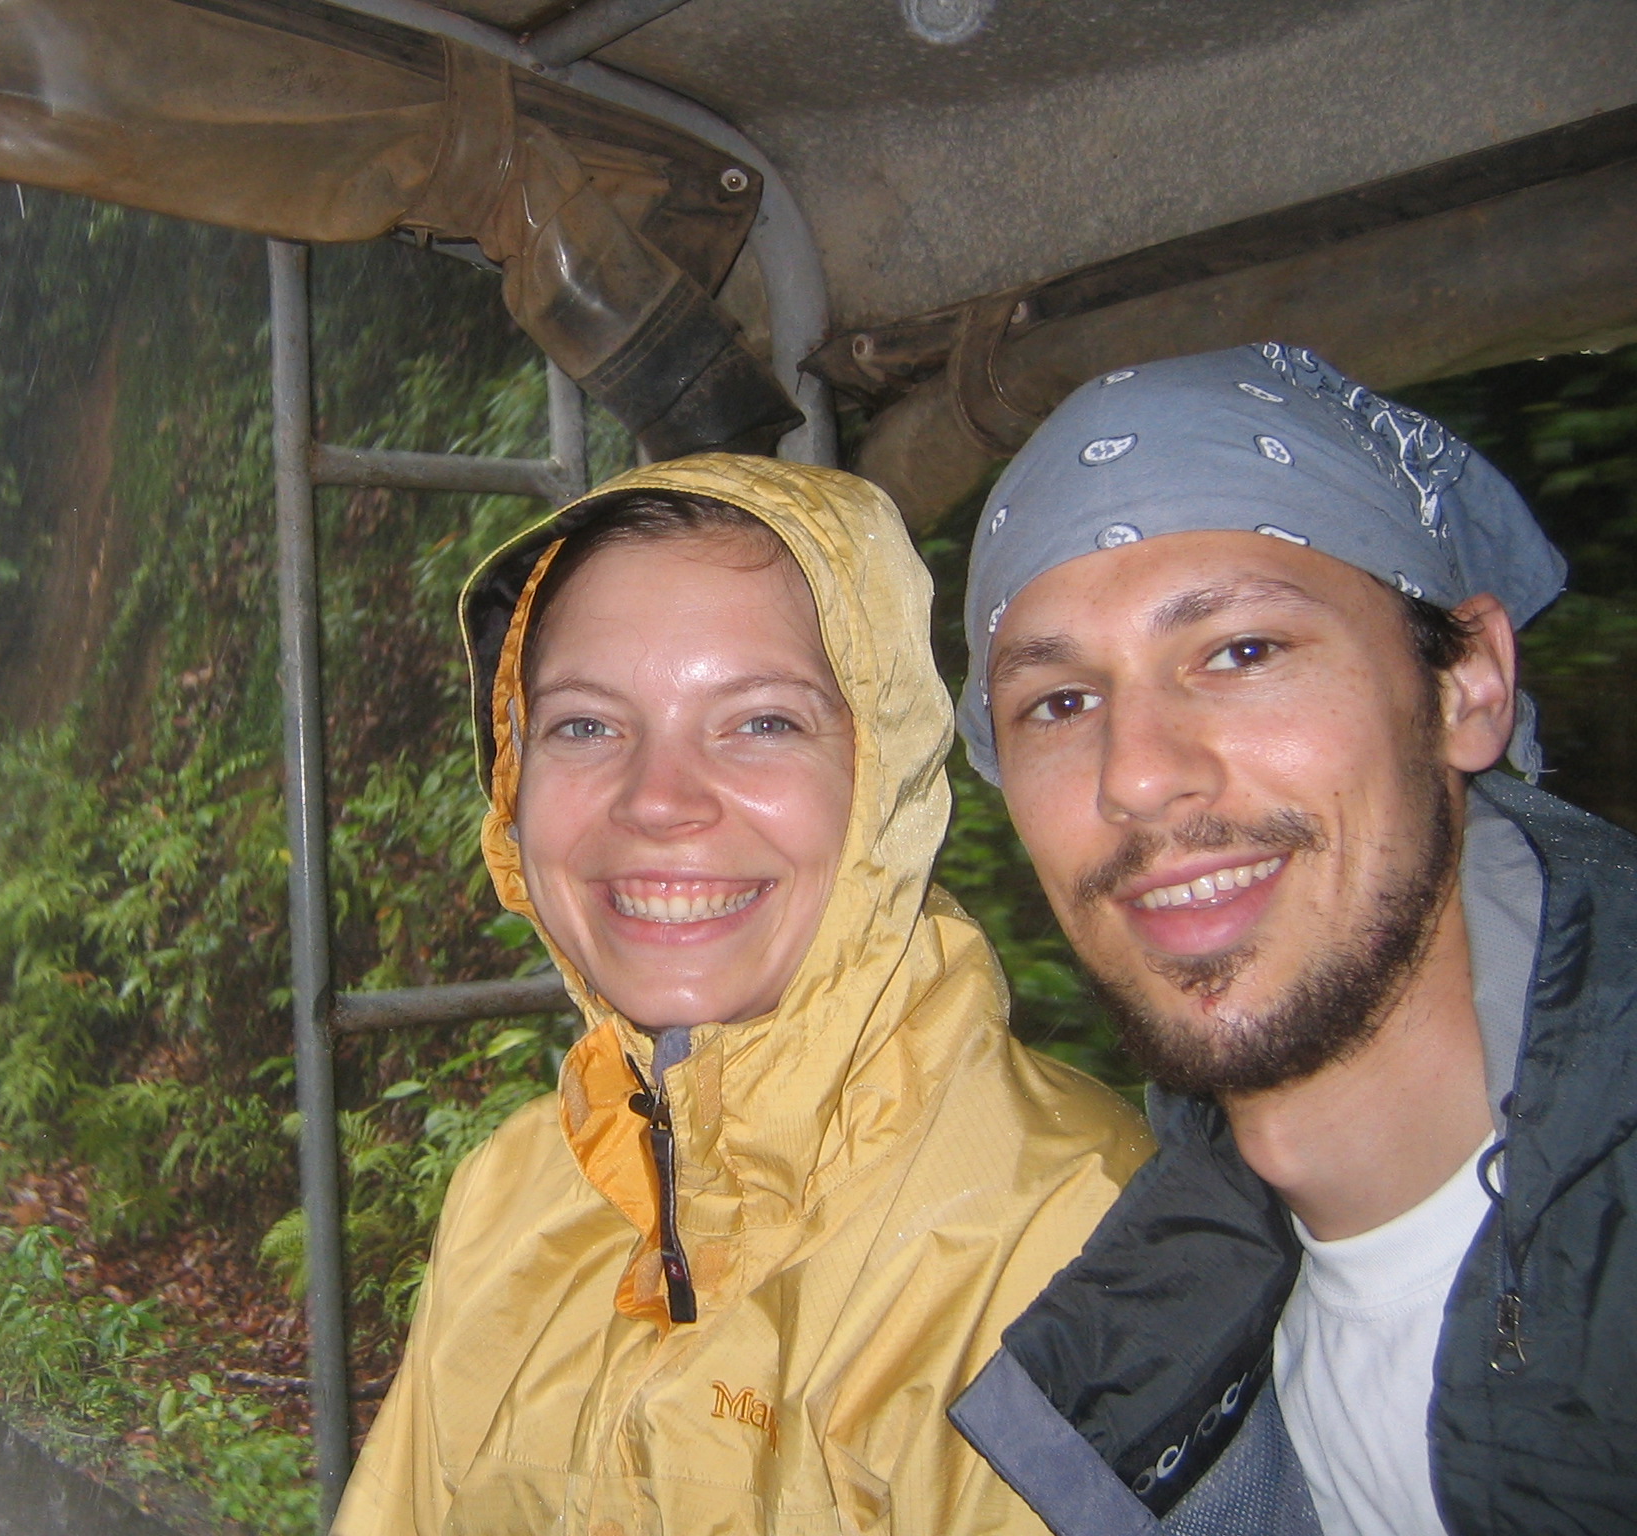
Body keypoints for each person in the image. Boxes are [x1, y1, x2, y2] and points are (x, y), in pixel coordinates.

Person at [335, 454, 1149, 1535]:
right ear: (511, 779)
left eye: (761, 721)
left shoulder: (1075, 1235)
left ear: (885, 770)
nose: (657, 800)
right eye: (583, 725)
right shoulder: (511, 1193)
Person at [944, 344, 1637, 1535]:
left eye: (1239, 652)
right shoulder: (1169, 1355)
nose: (1138, 776)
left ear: (1465, 683)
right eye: (1059, 703)